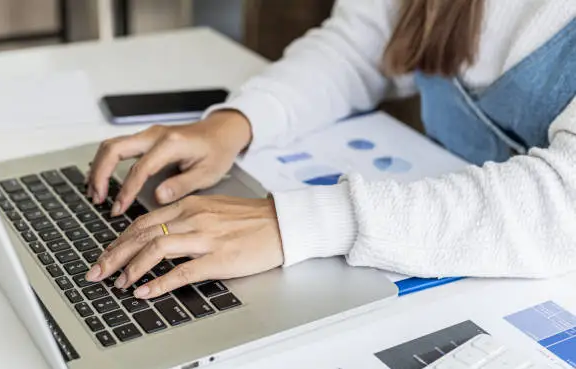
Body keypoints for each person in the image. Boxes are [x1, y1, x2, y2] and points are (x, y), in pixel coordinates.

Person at [85, 0, 576, 299]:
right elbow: (357, 48)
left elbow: (562, 207)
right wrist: (238, 122)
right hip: (444, 260)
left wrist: (302, 221)